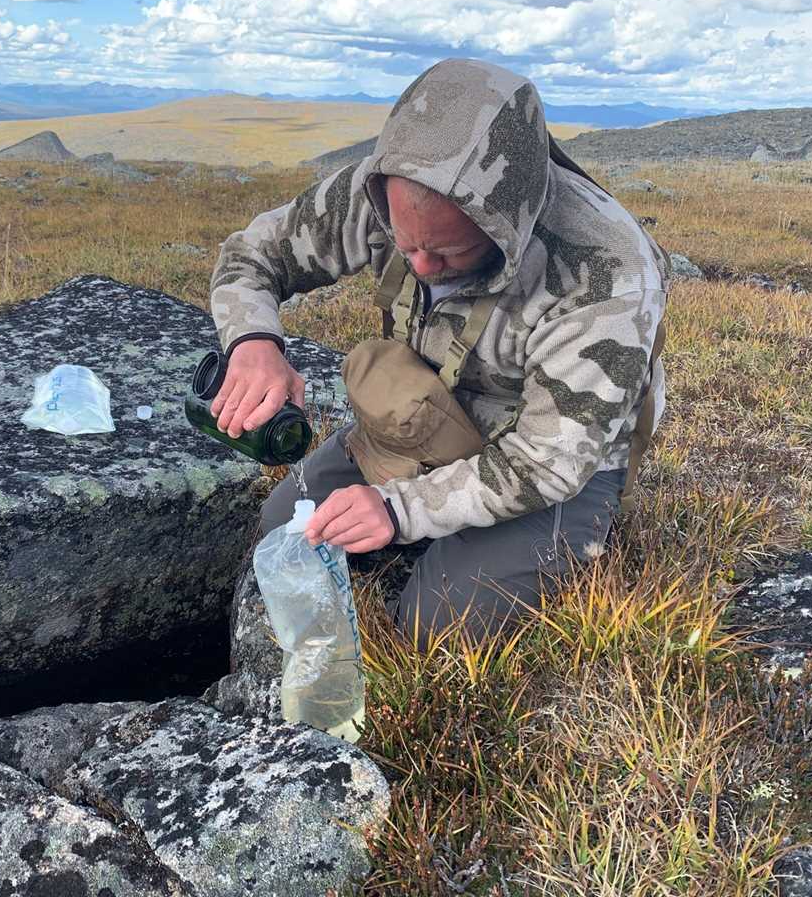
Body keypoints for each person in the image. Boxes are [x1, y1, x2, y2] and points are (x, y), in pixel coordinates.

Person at [207, 58, 671, 648]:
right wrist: (253, 342)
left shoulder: (603, 273)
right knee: (285, 530)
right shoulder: (380, 190)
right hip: (425, 416)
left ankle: (556, 539)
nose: (422, 267)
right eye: (406, 244)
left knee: (433, 625)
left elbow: (549, 463)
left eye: (448, 253)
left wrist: (397, 511)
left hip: (545, 460)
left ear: (509, 225)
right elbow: (255, 255)